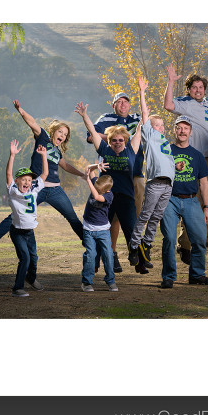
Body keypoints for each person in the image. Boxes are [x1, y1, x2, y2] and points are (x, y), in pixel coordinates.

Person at [0, 100, 89, 251]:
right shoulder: (42, 136)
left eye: (65, 134)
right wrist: (20, 110)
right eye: (60, 132)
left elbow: (65, 166)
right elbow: (32, 122)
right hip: (37, 188)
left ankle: (88, 242)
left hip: (56, 190)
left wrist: (82, 174)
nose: (62, 135)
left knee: (72, 217)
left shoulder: (57, 152)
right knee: (16, 215)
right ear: (53, 131)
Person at [76, 79, 144, 275]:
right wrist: (85, 116)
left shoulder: (130, 149)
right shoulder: (105, 146)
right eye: (114, 140)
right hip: (106, 193)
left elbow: (144, 122)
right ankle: (98, 261)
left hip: (126, 194)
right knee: (101, 227)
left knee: (131, 226)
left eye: (120, 140)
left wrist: (141, 92)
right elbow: (93, 135)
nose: (116, 142)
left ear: (126, 140)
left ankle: (137, 255)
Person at [163, 63, 208, 253]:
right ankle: (185, 244)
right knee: (191, 199)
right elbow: (168, 104)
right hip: (192, 157)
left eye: (201, 87)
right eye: (194, 87)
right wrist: (171, 81)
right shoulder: (185, 103)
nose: (198, 90)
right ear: (189, 89)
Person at [124, 76, 176, 273]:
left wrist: (175, 168)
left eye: (162, 125)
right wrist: (142, 92)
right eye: (157, 125)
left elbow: (167, 162)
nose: (161, 128)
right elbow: (145, 114)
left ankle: (146, 246)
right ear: (149, 128)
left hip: (167, 184)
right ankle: (134, 246)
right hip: (154, 183)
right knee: (146, 215)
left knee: (156, 218)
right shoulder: (150, 136)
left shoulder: (164, 142)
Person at [159, 116, 208, 289]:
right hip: (169, 200)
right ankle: (169, 277)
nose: (182, 131)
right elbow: (156, 174)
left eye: (185, 128)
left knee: (199, 238)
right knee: (169, 237)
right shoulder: (166, 151)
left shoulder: (197, 155)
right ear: (174, 130)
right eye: (179, 128)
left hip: (191, 201)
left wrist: (206, 207)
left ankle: (197, 275)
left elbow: (204, 183)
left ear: (190, 132)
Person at [4, 140, 48, 297]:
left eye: (29, 180)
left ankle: (31, 278)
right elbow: (9, 174)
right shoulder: (13, 191)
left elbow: (44, 175)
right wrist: (12, 155)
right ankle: (17, 288)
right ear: (17, 181)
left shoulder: (34, 189)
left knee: (34, 258)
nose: (27, 182)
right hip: (17, 232)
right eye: (24, 179)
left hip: (30, 232)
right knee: (26, 258)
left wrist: (44, 155)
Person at [80, 163, 116, 292]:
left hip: (103, 230)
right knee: (90, 255)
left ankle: (110, 280)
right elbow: (88, 169)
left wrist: (88, 181)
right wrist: (96, 165)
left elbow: (96, 196)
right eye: (96, 187)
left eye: (99, 189)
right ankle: (87, 282)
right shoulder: (97, 183)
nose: (96, 189)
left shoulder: (109, 196)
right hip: (89, 229)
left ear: (106, 191)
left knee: (108, 254)